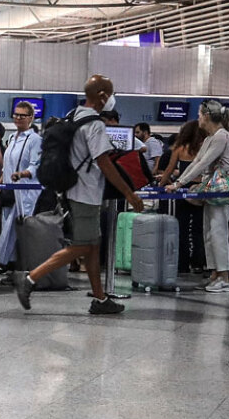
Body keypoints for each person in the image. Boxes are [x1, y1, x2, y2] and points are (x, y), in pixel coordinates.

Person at [14, 75, 145, 315]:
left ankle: (100, 299)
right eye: (111, 93)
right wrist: (129, 193)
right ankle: (30, 279)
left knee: (92, 246)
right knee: (82, 246)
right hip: (86, 194)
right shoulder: (95, 125)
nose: (112, 99)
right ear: (102, 96)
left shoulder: (74, 115)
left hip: (73, 190)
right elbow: (104, 162)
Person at [168, 101, 229, 293]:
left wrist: (179, 183)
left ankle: (224, 277)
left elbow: (203, 163)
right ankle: (215, 273)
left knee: (218, 231)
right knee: (208, 232)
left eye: (199, 114)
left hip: (221, 188)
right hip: (211, 187)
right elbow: (196, 162)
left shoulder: (222, 136)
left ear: (207, 116)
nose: (198, 118)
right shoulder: (209, 139)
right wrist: (179, 182)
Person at [0, 101, 43, 267]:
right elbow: (7, 165)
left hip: (25, 193)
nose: (18, 118)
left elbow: (35, 165)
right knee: (7, 229)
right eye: (16, 114)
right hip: (9, 191)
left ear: (31, 118)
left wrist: (22, 174)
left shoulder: (35, 140)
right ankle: (9, 264)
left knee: (19, 231)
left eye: (22, 115)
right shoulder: (12, 138)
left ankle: (22, 265)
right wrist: (1, 182)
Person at [159, 120, 207, 273]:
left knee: (182, 228)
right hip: (202, 190)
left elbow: (168, 170)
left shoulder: (180, 148)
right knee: (199, 229)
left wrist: (161, 186)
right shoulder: (205, 149)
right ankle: (199, 263)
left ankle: (182, 264)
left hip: (182, 190)